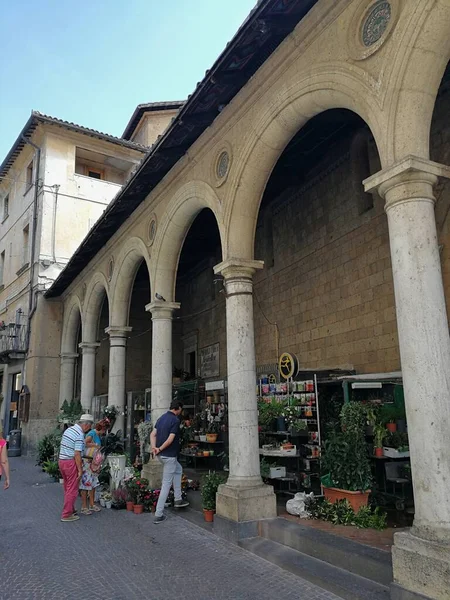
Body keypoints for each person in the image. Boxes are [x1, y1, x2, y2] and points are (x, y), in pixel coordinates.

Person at [151, 400, 189, 523]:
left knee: (178, 470)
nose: (180, 412)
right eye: (180, 410)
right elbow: (170, 439)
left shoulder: (161, 418)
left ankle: (178, 498)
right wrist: (160, 448)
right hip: (169, 455)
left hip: (161, 455)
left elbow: (153, 434)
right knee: (166, 484)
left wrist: (154, 448)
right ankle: (159, 513)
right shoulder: (175, 420)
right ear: (178, 408)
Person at [58, 414, 94, 522]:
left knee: (67, 487)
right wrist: (79, 469)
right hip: (70, 462)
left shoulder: (70, 430)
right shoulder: (79, 434)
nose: (89, 429)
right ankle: (66, 514)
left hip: (62, 460)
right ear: (86, 425)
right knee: (72, 489)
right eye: (90, 426)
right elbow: (77, 453)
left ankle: (71, 508)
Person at [79, 420, 106, 515]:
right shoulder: (92, 433)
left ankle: (91, 504)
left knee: (93, 483)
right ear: (102, 429)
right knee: (86, 483)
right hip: (87, 462)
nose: (104, 432)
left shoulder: (97, 434)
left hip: (93, 462)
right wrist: (95, 445)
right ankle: (84, 506)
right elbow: (84, 443)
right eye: (104, 430)